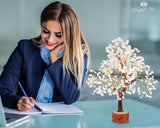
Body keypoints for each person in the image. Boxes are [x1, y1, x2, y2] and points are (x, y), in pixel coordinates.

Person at [0, 1, 89, 111]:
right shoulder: (24, 48)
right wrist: (17, 101)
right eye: (46, 31)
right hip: (28, 118)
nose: (50, 39)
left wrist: (55, 61)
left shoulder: (78, 57)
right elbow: (2, 89)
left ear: (70, 34)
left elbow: (71, 98)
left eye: (58, 35)